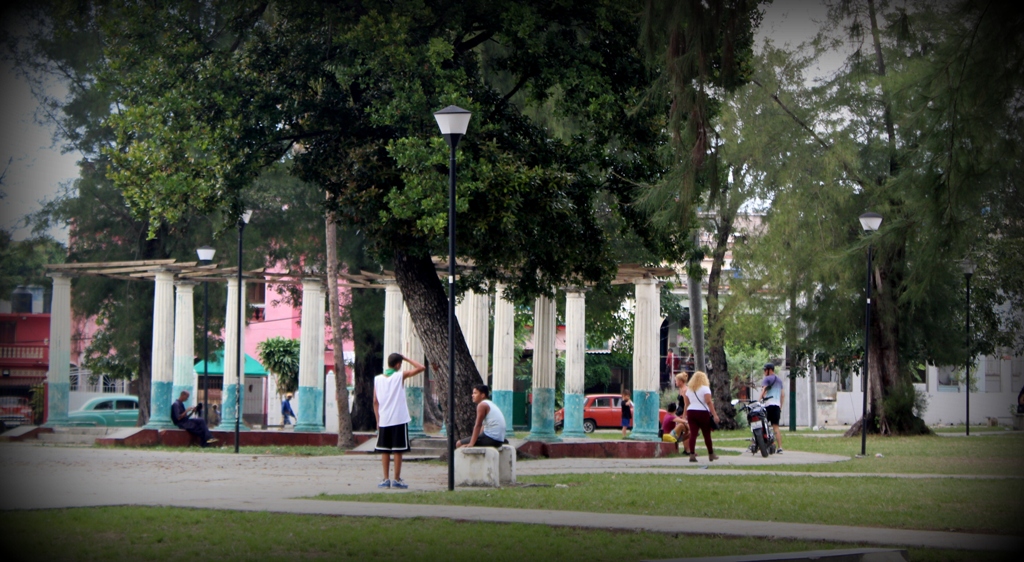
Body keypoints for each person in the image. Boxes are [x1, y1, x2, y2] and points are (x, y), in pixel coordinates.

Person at [373, 352, 426, 489]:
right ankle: (396, 478)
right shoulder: (399, 376)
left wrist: (378, 420)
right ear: (398, 365)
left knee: (385, 450)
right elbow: (421, 367)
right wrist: (407, 358)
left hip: (384, 419)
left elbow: (375, 401)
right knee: (398, 450)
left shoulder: (377, 379)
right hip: (398, 419)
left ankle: (385, 479)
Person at [683, 370, 720, 462]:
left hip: (691, 412)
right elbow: (708, 402)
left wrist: (684, 416)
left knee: (693, 434)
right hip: (703, 412)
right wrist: (715, 415)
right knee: (706, 434)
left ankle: (692, 455)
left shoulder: (689, 390)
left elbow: (686, 404)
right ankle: (711, 454)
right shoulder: (705, 388)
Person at [456, 384, 508, 449]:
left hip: (491, 439)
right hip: (499, 440)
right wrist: (477, 438)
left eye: (475, 393)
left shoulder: (482, 405)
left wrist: (471, 443)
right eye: (472, 393)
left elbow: (478, 425)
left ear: (482, 395)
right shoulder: (490, 403)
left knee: (459, 444)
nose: (472, 395)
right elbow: (483, 427)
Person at [759, 363, 784, 454]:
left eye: (765, 370)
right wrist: (780, 406)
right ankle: (780, 447)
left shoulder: (767, 379)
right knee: (776, 427)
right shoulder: (779, 381)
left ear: (769, 370)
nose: (764, 372)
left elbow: (763, 391)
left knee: (762, 426)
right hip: (777, 406)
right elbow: (782, 395)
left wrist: (758, 401)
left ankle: (759, 444)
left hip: (768, 405)